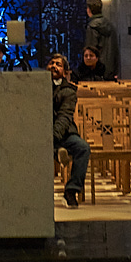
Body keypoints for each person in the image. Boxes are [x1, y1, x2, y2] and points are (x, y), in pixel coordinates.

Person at [48, 53, 91, 210]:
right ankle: (57, 151)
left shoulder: (69, 91)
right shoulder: (38, 86)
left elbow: (64, 117)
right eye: (51, 63)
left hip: (64, 133)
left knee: (83, 148)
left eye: (58, 64)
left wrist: (52, 137)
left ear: (65, 71)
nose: (54, 66)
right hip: (41, 132)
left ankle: (71, 190)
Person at [83, 0, 119, 79]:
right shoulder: (111, 26)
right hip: (111, 69)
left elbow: (90, 51)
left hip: (97, 71)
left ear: (89, 10)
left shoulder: (92, 27)